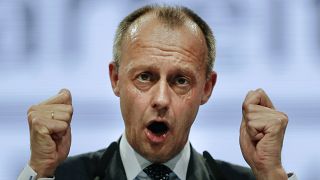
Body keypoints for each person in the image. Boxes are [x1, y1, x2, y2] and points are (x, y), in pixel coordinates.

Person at [18, 5, 297, 180]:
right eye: (145, 77)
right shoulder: (59, 177)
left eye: (180, 81)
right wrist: (40, 170)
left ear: (207, 88)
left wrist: (271, 174)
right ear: (115, 79)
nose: (161, 100)